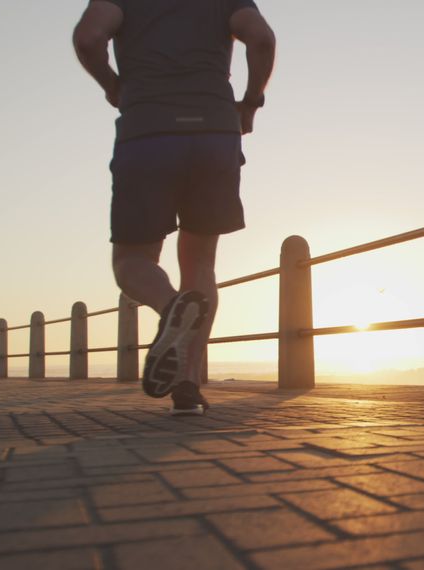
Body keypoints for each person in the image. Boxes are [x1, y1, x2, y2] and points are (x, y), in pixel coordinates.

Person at [72, 0, 275, 415]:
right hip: (215, 132)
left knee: (131, 259)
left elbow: (89, 37)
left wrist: (113, 85)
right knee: (200, 264)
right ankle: (186, 386)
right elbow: (261, 38)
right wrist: (251, 102)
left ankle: (170, 310)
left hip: (148, 131)